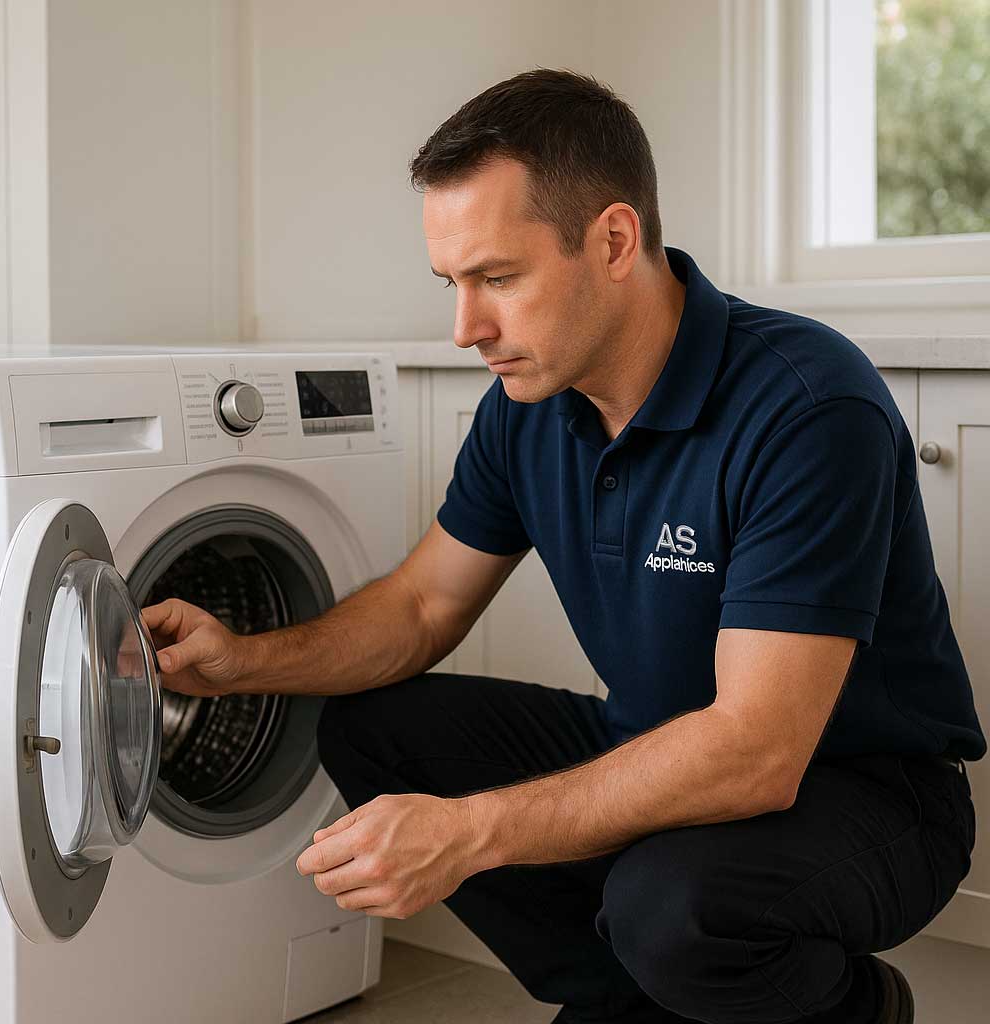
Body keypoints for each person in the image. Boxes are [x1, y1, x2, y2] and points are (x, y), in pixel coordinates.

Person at [141, 69, 985, 1024]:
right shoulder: (528, 407)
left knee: (671, 906)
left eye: (499, 278)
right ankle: (620, 999)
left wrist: (471, 831)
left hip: (866, 795)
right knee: (372, 727)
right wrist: (246, 661)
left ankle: (853, 1006)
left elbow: (756, 752)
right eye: (453, 284)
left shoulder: (804, 406)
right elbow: (422, 608)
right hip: (658, 740)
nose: (467, 329)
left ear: (614, 240)